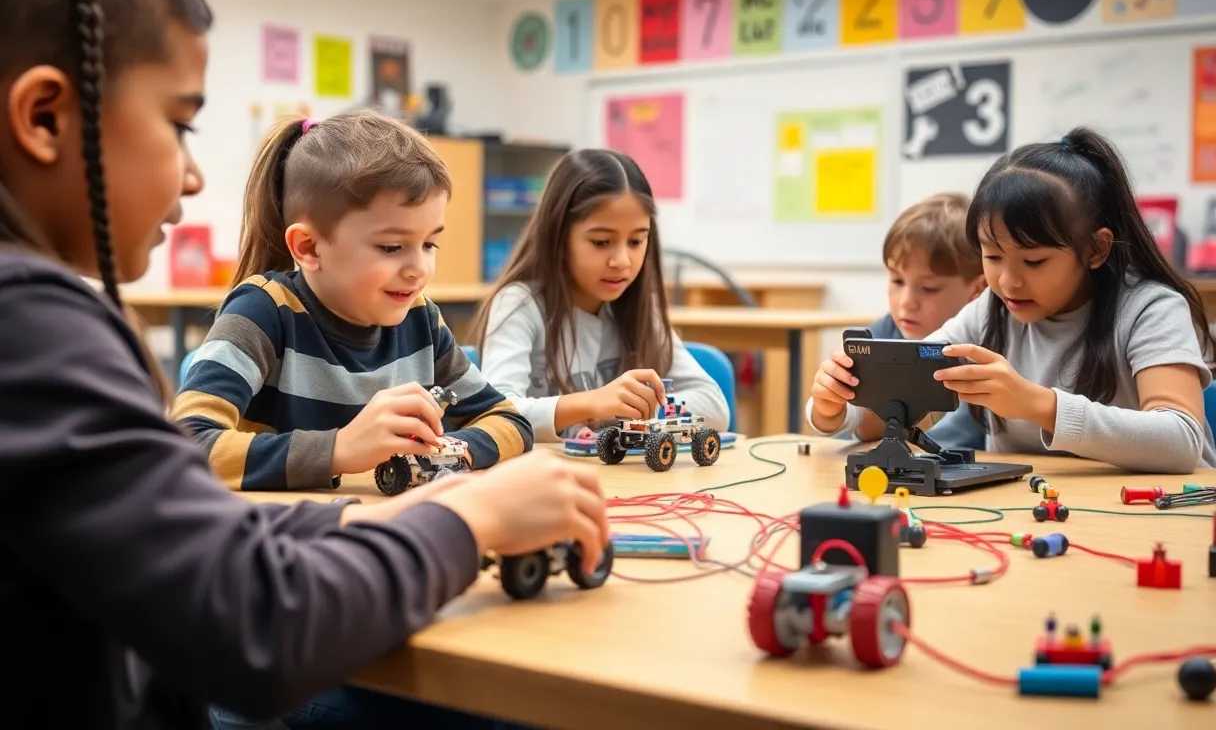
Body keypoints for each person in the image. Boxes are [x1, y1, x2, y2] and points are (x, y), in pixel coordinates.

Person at [0, 0, 608, 728]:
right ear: (43, 117)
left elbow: (188, 543)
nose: (192, 177)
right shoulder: (30, 328)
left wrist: (407, 495)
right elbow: (252, 620)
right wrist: (468, 514)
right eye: (180, 124)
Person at [807, 127, 1216, 474]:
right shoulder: (990, 311)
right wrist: (837, 407)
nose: (1007, 281)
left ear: (1096, 249)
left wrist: (1038, 404)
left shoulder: (1151, 308)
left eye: (1034, 261)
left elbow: (1180, 442)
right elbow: (904, 405)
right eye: (993, 256)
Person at [172, 111, 533, 492]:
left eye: (429, 244)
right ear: (309, 248)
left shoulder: (420, 318)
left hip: (390, 526)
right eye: (391, 247)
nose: (419, 269)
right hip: (285, 536)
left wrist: (447, 452)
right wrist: (340, 449)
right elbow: (185, 447)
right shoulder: (263, 312)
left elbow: (509, 421)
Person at [470, 149, 729, 442]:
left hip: (624, 483)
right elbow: (495, 414)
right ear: (559, 235)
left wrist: (633, 412)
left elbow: (714, 406)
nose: (622, 260)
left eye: (636, 241)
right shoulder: (520, 304)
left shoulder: (640, 309)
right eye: (602, 241)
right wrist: (590, 402)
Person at [822, 192, 986, 451]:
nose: (906, 302)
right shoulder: (879, 337)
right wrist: (828, 411)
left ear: (978, 289)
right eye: (897, 281)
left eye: (929, 288)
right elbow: (847, 428)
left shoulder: (984, 349)